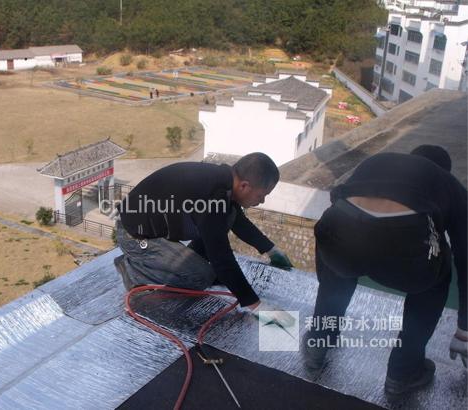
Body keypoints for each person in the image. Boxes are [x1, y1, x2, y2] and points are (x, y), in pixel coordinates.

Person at [304, 145, 467, 395]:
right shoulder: (449, 183)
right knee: (438, 275)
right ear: (444, 170)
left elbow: (338, 200)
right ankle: (403, 372)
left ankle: (319, 340)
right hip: (407, 250)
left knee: (339, 255)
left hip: (341, 231)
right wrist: (464, 329)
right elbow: (465, 256)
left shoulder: (377, 160)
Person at [114, 153, 295, 324]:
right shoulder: (212, 196)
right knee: (200, 276)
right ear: (244, 186)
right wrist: (256, 306)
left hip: (154, 229)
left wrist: (271, 250)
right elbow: (221, 257)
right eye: (261, 195)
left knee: (229, 216)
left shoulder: (224, 183)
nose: (262, 201)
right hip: (134, 236)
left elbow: (238, 222)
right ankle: (132, 270)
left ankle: (184, 262)